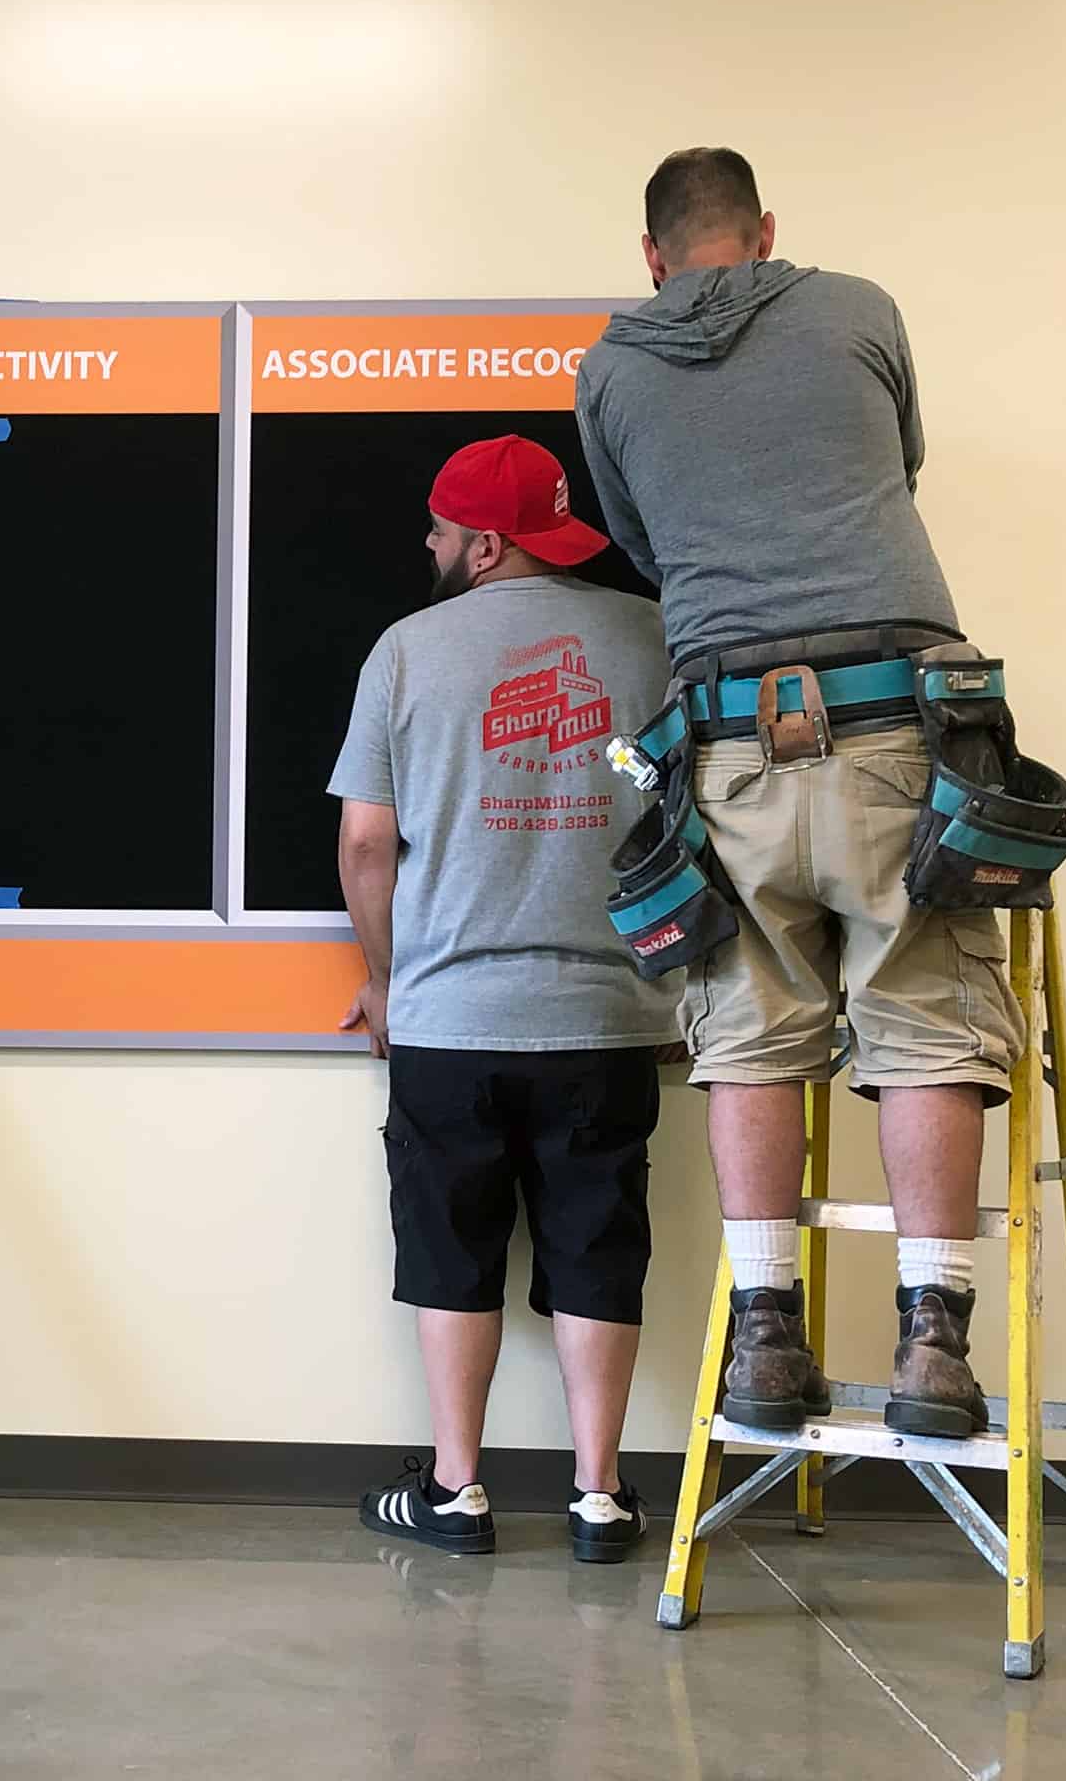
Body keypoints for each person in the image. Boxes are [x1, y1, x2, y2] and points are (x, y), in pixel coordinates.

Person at [573, 148, 1018, 1439]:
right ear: (764, 233)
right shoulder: (858, 307)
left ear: (651, 256)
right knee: (926, 1017)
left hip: (726, 733)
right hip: (897, 715)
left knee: (749, 1025)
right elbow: (903, 463)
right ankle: (935, 1347)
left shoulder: (608, 367)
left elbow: (646, 545)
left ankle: (767, 1341)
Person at [331, 435, 676, 1563]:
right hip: (609, 1019)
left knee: (449, 1251)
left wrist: (383, 984)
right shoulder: (650, 637)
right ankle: (599, 1499)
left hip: (446, 1021)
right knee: (596, 1248)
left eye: (438, 528)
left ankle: (456, 1492)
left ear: (484, 544)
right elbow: (683, 816)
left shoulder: (405, 652)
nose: (427, 544)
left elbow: (368, 841)